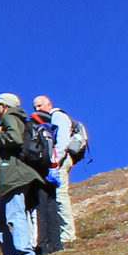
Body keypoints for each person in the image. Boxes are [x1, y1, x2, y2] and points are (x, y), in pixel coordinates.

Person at [0, 93, 48, 255]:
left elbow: (14, 139)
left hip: (15, 177)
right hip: (13, 175)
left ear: (4, 106)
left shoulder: (10, 117)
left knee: (15, 214)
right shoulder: (13, 118)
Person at [31, 95, 87, 247]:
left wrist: (54, 161)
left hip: (60, 160)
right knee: (56, 196)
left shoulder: (57, 116)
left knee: (60, 195)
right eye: (35, 107)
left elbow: (61, 141)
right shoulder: (54, 117)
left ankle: (68, 234)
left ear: (49, 104)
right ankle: (60, 234)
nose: (37, 109)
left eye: (40, 105)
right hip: (59, 160)